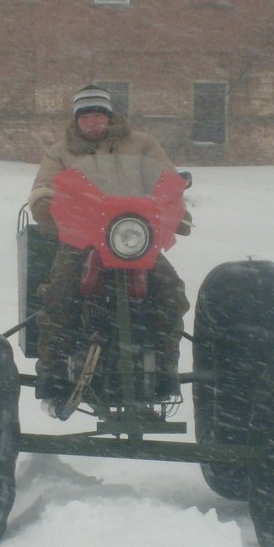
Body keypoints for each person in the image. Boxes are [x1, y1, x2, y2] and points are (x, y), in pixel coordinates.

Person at [28, 85, 191, 405]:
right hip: (82, 240)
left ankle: (164, 367)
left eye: (98, 113)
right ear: (77, 119)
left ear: (109, 115)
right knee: (60, 292)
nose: (92, 120)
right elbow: (44, 186)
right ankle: (54, 368)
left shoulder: (142, 144)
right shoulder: (60, 151)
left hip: (135, 239)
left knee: (171, 292)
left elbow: (166, 181)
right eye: (85, 115)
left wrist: (177, 211)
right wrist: (45, 202)